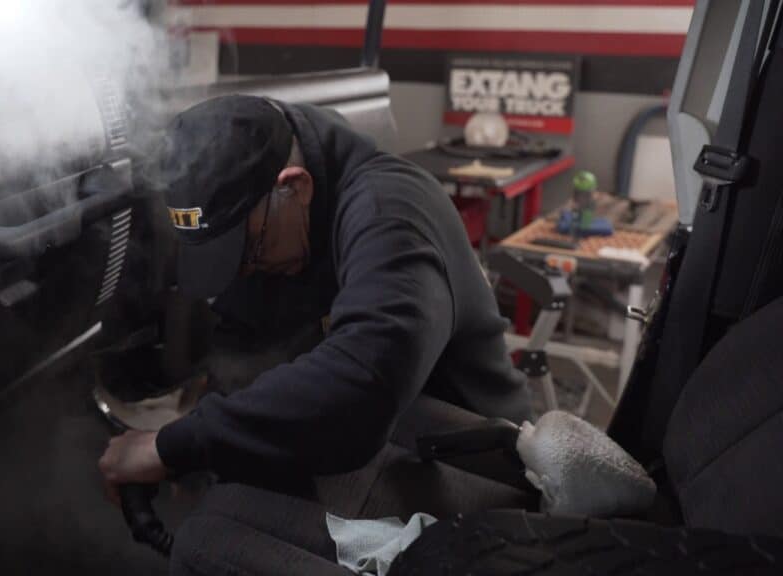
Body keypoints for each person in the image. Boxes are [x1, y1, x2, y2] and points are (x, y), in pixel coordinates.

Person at [98, 94, 532, 509]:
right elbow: (242, 342)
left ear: (295, 187)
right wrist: (197, 455)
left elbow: (362, 383)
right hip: (399, 445)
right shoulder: (276, 219)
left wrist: (175, 445)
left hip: (477, 463)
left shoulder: (390, 213)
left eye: (249, 253)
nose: (247, 272)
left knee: (212, 544)